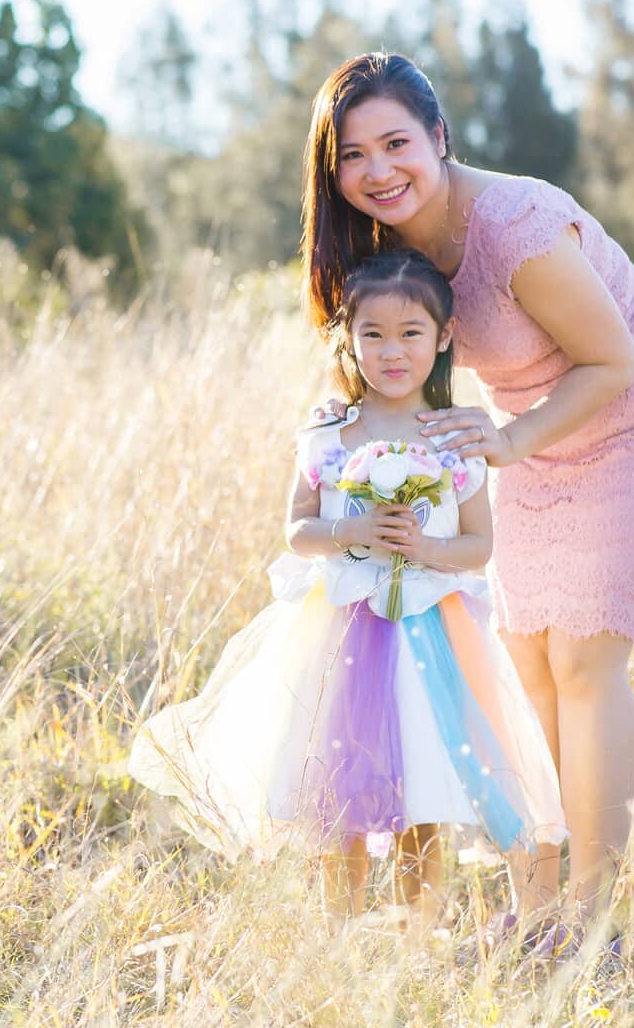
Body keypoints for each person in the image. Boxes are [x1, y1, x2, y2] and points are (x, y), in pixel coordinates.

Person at [300, 52, 634, 955]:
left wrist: (513, 443)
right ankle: (543, 893)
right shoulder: (391, 241)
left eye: (397, 144)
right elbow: (391, 345)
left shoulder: (516, 222)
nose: (377, 171)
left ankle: (591, 923)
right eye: (353, 156)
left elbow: (615, 361)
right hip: (526, 435)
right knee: (525, 660)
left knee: (583, 663)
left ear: (439, 138)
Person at [129, 248, 565, 934]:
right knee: (342, 788)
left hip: (431, 635)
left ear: (443, 337)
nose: (392, 351)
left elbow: (479, 545)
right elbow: (297, 532)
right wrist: (352, 528)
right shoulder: (329, 433)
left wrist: (423, 549)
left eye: (411, 333)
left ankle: (417, 928)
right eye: (373, 335)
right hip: (341, 633)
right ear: (347, 339)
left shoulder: (453, 437)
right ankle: (338, 932)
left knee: (425, 783)